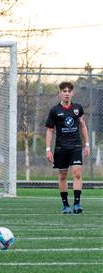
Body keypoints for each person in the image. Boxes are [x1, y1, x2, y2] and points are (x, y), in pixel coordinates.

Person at [45, 81, 90, 214]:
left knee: (77, 173)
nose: (67, 94)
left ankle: (77, 204)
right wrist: (48, 149)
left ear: (72, 93)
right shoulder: (54, 110)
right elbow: (50, 130)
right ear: (60, 93)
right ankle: (65, 205)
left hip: (76, 146)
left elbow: (83, 126)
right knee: (63, 175)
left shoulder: (78, 108)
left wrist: (87, 144)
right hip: (61, 148)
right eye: (64, 91)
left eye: (69, 91)